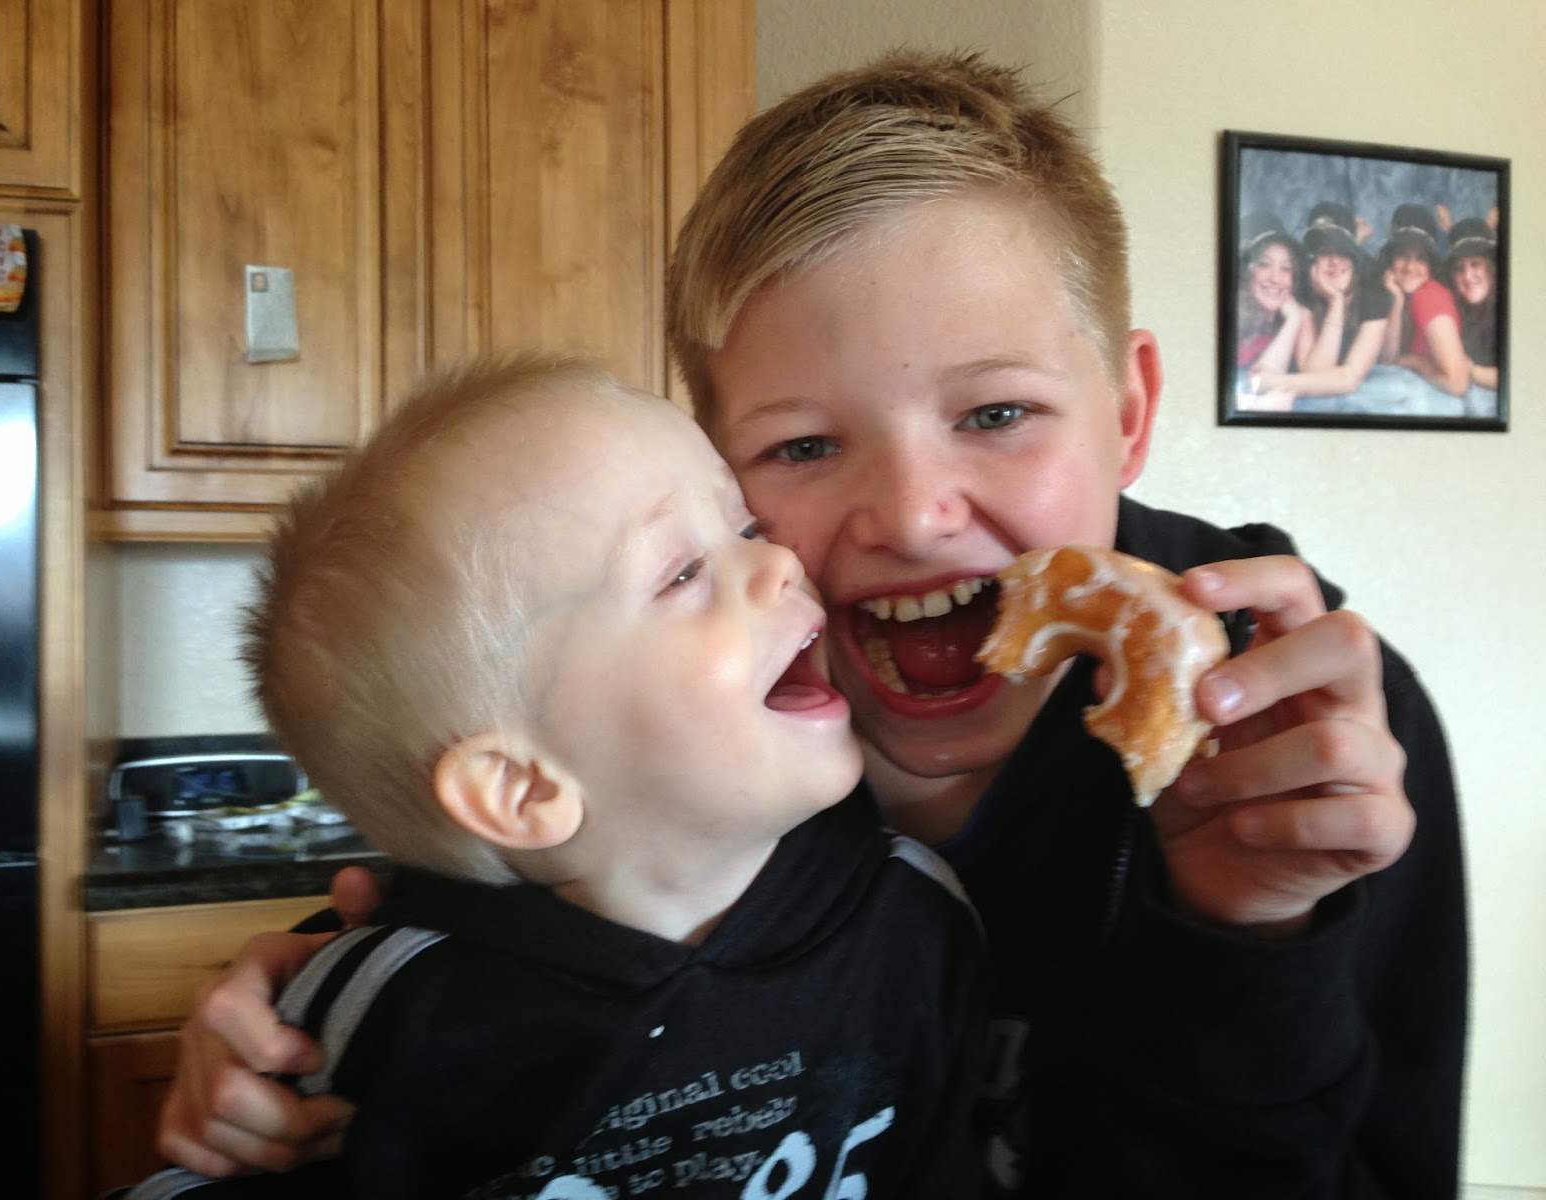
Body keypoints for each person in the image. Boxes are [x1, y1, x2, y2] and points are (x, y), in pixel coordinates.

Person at [159, 51, 1467, 1199]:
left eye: (997, 414)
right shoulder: (704, 706)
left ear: (1126, 415)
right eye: (801, 446)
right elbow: (532, 908)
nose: (909, 515)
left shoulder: (1299, 740)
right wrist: (308, 1024)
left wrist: (1253, 939)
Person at [119, 354, 988, 1198]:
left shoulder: (914, 916)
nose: (781, 562)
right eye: (684, 573)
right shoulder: (390, 1008)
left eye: (746, 531)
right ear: (524, 789)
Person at [1247, 201, 1393, 402]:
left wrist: (1274, 382)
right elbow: (1314, 372)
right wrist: (1335, 304)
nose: (1334, 261)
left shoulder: (1374, 292)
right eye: (1325, 252)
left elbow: (1350, 379)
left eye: (1343, 251)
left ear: (1353, 255)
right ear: (1313, 260)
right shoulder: (1304, 289)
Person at [1380, 202, 1472, 395]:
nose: (1410, 267)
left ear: (1430, 267)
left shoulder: (1428, 296)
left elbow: (1457, 384)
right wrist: (1396, 301)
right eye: (1403, 255)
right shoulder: (1402, 295)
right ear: (1391, 260)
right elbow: (1388, 359)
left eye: (1420, 258)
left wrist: (1413, 361)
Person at [1233, 210, 1314, 378]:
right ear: (1245, 271)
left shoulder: (1294, 316)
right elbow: (1260, 382)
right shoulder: (1233, 319)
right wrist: (1293, 320)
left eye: (1286, 268)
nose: (1275, 278)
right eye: (1264, 264)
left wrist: (1294, 318)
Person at [1444, 213, 1500, 392]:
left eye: (1475, 264)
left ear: (1492, 269)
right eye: (1460, 268)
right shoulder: (1454, 308)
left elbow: (1523, 377)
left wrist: (1472, 371)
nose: (1467, 277)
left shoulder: (1513, 308)